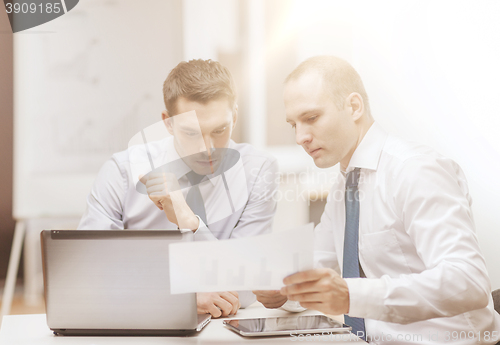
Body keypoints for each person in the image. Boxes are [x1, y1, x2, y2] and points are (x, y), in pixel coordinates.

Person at [254, 56, 500, 343]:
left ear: (354, 107)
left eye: (310, 118)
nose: (300, 137)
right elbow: (316, 266)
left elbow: (467, 282)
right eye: (292, 124)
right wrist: (283, 289)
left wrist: (350, 295)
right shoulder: (344, 187)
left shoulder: (415, 170)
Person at [78, 59, 279, 318]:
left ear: (235, 117)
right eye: (192, 133)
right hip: (138, 324)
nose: (208, 149)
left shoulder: (258, 170)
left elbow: (248, 285)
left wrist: (190, 223)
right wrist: (181, 297)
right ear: (168, 123)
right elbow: (91, 273)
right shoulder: (122, 171)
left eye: (220, 130)